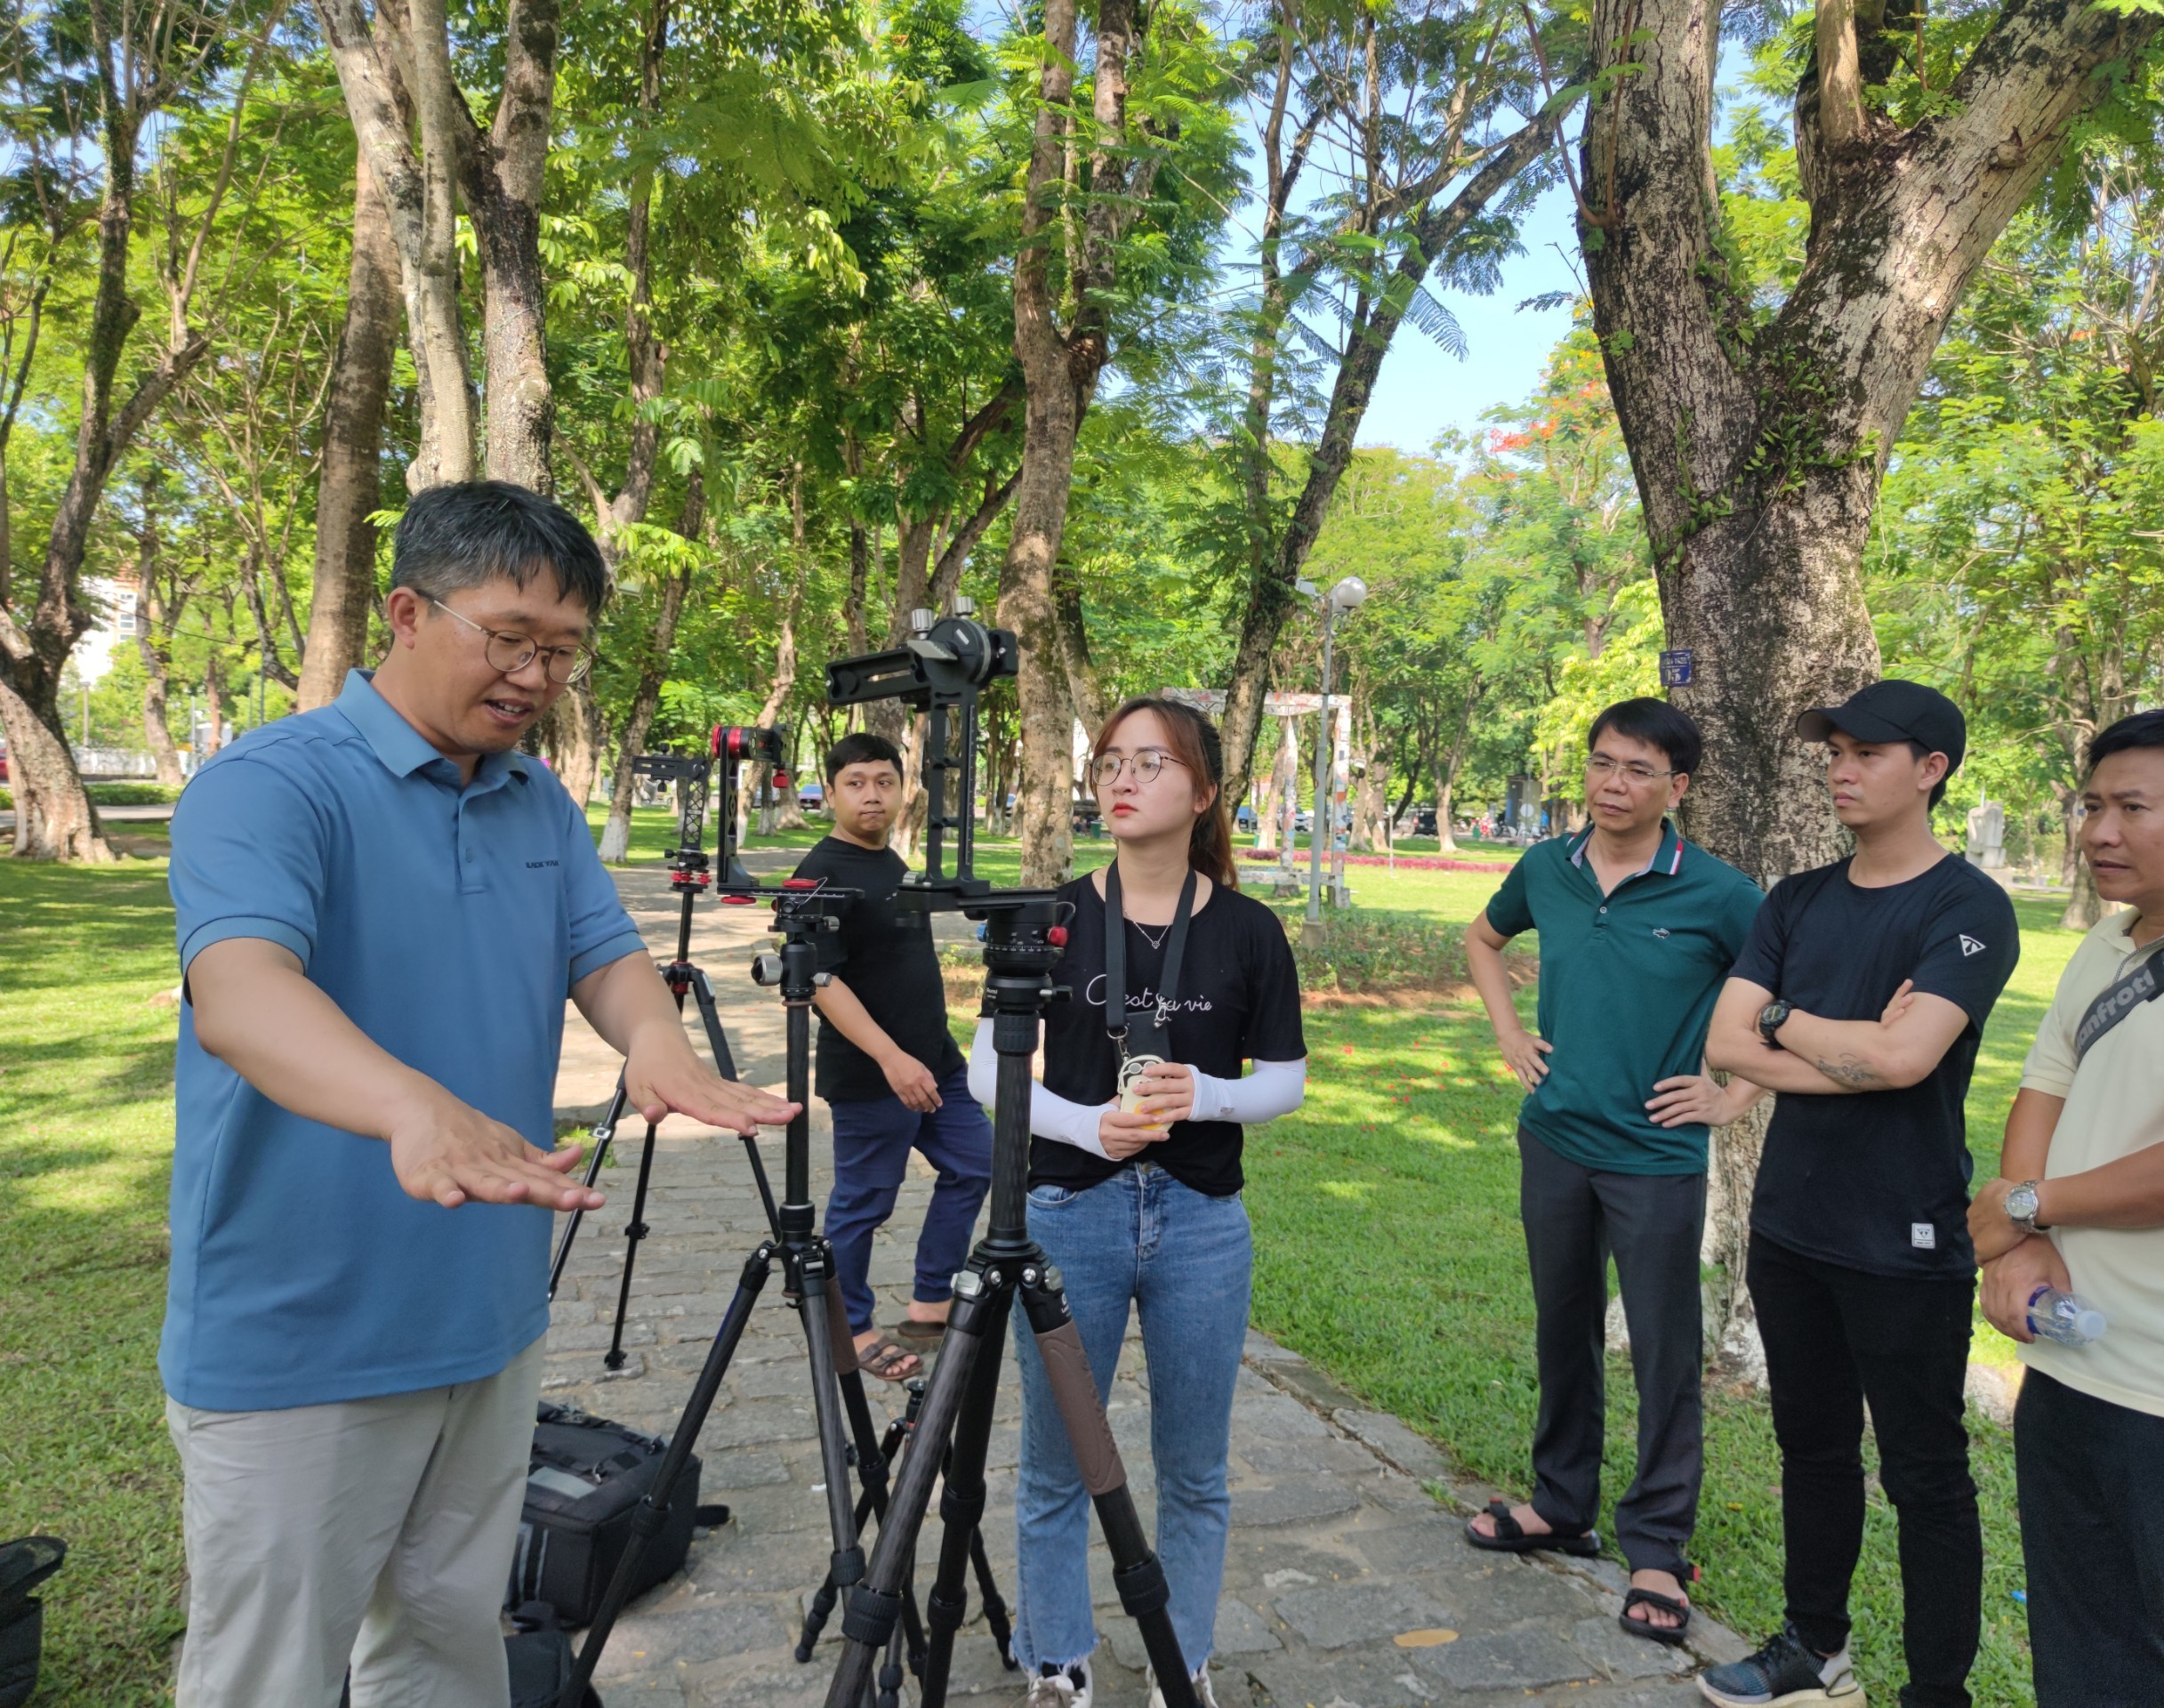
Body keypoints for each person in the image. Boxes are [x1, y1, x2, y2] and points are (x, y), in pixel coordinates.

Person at [161, 481, 799, 1708]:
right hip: (301, 1335)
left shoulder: (535, 798)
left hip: (486, 1319)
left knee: (448, 1644)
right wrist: (413, 1106)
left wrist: (656, 1047)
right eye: (510, 639)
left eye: (562, 654)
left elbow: (606, 956)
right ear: (406, 610)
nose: (535, 678)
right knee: (269, 1676)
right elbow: (240, 991)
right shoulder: (272, 785)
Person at [968, 697, 1307, 1708]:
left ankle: (1181, 1661)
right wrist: (1085, 1127)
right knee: (1057, 1466)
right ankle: (1057, 1662)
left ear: (1201, 793)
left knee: (1194, 1470)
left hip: (1202, 1219)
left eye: (1150, 763)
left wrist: (1204, 1095)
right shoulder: (1049, 919)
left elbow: (1285, 1080)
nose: (1121, 778)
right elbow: (989, 1070)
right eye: (1110, 761)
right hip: (1071, 1210)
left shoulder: (1248, 929)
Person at [1698, 681, 2019, 1708]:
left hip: (1906, 1234)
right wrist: (1838, 1034)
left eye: (1867, 751)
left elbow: (1907, 1061)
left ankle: (1937, 1692)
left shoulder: (1966, 907)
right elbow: (1722, 1043)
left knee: (1924, 1473)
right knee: (1812, 1449)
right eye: (1833, 749)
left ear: (1929, 769)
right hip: (1791, 1223)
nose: (1841, 767)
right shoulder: (1794, 899)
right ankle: (1812, 1650)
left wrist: (1787, 1022)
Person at [1967, 706, 2164, 1706]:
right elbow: (2044, 1085)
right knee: (2085, 1647)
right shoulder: (2107, 945)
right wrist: (2018, 1246)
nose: (2097, 830)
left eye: (2130, 807)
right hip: (2071, 1359)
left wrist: (2023, 1200)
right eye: (2090, 805)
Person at [1458, 699, 1766, 1646]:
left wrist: (1734, 1095)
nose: (1612, 785)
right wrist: (1510, 1033)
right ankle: (1562, 1501)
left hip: (1656, 1158)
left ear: (1677, 788)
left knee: (1666, 1356)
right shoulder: (1546, 867)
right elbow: (1481, 937)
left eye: (1636, 770)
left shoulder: (1719, 893)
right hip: (1554, 1137)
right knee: (1563, 1328)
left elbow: (1783, 1005)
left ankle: (1659, 1550)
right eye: (1600, 764)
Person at [792, 730, 994, 1382]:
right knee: (865, 1202)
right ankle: (849, 1329)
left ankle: (931, 1301)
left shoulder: (894, 862)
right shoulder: (819, 872)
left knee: (975, 1162)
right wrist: (891, 1058)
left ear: (904, 789)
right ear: (831, 793)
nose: (872, 795)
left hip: (936, 1058)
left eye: (884, 781)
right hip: (874, 1072)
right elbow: (822, 983)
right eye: (856, 783)